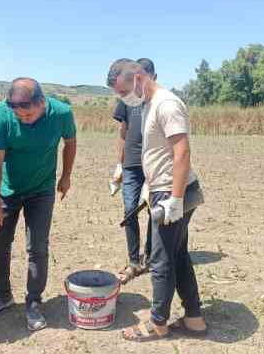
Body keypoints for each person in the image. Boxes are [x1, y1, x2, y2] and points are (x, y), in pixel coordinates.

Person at [106, 58, 207, 341]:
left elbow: (182, 152)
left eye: (124, 91)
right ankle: (194, 318)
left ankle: (158, 324)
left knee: (161, 261)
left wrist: (174, 199)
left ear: (139, 77)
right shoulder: (149, 105)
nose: (123, 98)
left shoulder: (167, 104)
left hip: (172, 192)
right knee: (178, 256)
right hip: (161, 190)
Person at [0, 78, 77, 331]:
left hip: (41, 191)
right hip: (7, 191)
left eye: (29, 114)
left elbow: (70, 141)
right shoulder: (0, 115)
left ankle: (34, 301)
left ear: (42, 103)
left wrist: (66, 175)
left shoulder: (62, 113)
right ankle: (2, 295)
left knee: (37, 247)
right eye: (19, 116)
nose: (24, 119)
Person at [112, 58, 157, 285]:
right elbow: (123, 131)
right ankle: (133, 260)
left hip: (152, 165)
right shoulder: (126, 101)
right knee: (130, 209)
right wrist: (118, 164)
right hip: (131, 164)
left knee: (152, 210)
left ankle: (149, 255)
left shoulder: (157, 100)